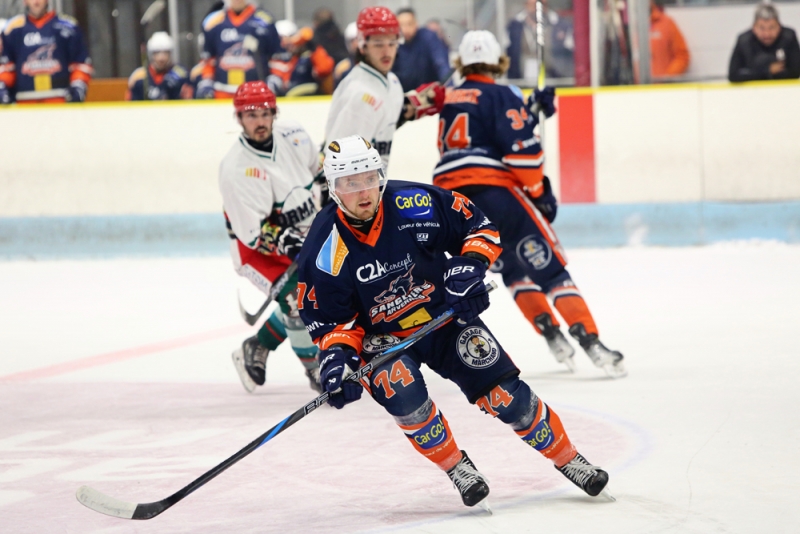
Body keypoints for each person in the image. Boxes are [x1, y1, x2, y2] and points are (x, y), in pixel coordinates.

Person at [296, 134, 611, 508]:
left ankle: (569, 459)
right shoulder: (324, 246)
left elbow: (479, 227)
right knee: (405, 397)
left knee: (506, 395)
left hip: (443, 316)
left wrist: (470, 268)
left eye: (369, 177)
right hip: (383, 340)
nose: (363, 191)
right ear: (333, 188)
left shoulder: (414, 203)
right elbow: (331, 320)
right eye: (350, 183)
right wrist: (337, 361)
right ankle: (457, 467)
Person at [433, 30, 626, 378]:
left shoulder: (448, 98)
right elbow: (522, 155)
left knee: (512, 269)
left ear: (462, 61)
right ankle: (591, 342)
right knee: (550, 271)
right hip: (498, 197)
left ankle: (552, 335)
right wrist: (540, 194)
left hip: (453, 205)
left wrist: (529, 111)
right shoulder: (502, 92)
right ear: (498, 61)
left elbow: (481, 135)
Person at [219, 80, 323, 394]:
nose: (260, 122)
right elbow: (252, 234)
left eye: (265, 113)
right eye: (251, 116)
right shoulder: (236, 169)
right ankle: (316, 371)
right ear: (238, 118)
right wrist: (291, 243)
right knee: (296, 300)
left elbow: (318, 174)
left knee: (328, 288)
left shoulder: (293, 135)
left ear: (274, 113)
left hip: (304, 232)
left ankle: (258, 344)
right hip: (255, 249)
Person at [325, 5, 446, 171]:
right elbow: (340, 158)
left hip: (373, 186)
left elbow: (381, 127)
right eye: (378, 44)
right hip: (355, 191)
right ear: (362, 45)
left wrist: (413, 105)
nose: (387, 51)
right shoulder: (358, 92)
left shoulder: (392, 81)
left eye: (392, 43)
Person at [0, 0, 91, 104]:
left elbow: (80, 64)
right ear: (24, 1)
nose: (36, 1)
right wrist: (2, 85)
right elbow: (6, 66)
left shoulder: (69, 27)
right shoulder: (12, 29)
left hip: (60, 102)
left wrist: (78, 84)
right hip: (23, 104)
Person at [196, 0, 281, 99]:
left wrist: (274, 79)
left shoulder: (266, 21)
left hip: (256, 93)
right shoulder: (212, 21)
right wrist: (207, 80)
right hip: (222, 92)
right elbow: (208, 58)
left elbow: (277, 56)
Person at [728, 3, 800, 82]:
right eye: (762, 28)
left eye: (772, 27)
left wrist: (754, 72)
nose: (767, 34)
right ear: (754, 27)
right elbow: (733, 75)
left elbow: (795, 71)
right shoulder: (744, 41)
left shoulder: (788, 37)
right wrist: (767, 71)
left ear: (779, 26)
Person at [506, 0, 574, 82]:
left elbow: (570, 56)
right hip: (521, 81)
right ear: (526, 4)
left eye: (542, 4)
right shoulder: (513, 26)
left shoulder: (561, 26)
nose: (538, 8)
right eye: (534, 5)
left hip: (554, 80)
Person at [267, 21, 334, 97]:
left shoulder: (307, 58)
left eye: (291, 37)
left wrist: (313, 47)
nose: (286, 43)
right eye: (281, 39)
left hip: (306, 101)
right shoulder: (273, 61)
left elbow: (325, 68)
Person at [392, 7, 450, 92]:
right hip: (405, 96)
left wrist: (448, 85)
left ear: (416, 23)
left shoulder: (428, 37)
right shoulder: (394, 43)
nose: (406, 29)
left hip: (430, 94)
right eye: (402, 25)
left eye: (410, 24)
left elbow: (441, 63)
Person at [126, 32, 190, 101]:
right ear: (151, 54)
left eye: (166, 52)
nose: (161, 58)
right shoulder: (139, 76)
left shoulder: (181, 74)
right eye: (157, 52)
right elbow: (131, 105)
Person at [649, 0, 689, 80]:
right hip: (634, 90)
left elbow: (682, 56)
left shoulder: (666, 23)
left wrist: (667, 78)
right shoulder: (627, 28)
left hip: (662, 89)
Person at [332, 21, 357, 90]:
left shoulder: (376, 64)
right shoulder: (342, 67)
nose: (356, 44)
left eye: (358, 39)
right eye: (352, 40)